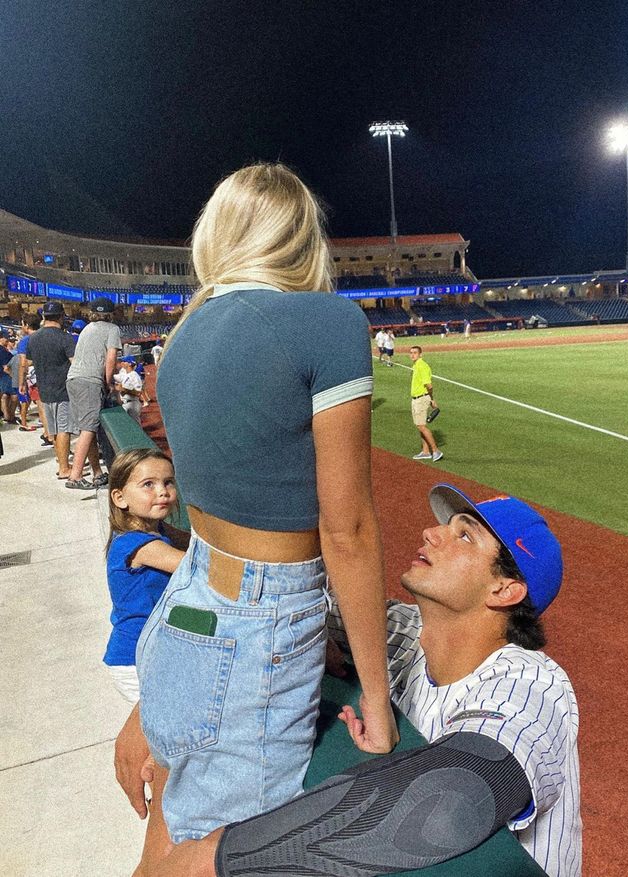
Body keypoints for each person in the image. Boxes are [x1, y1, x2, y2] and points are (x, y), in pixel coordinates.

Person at [118, 162, 398, 873]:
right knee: (220, 857)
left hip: (193, 604)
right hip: (257, 623)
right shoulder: (327, 321)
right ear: (302, 238)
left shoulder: (183, 336)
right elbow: (348, 530)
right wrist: (376, 693)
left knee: (174, 834)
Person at [133, 482, 581, 877]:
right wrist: (147, 716)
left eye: (464, 535)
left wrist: (218, 858)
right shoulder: (398, 630)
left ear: (505, 590)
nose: (432, 533)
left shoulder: (533, 685)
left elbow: (455, 796)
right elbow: (251, 621)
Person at [104, 448, 187, 704]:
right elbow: (196, 564)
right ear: (120, 498)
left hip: (153, 652)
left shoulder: (157, 529)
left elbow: (199, 542)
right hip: (135, 660)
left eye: (168, 482)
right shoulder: (137, 545)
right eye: (148, 484)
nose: (162, 491)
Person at [65, 297, 122, 489]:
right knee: (89, 428)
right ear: (110, 313)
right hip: (90, 380)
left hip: (73, 379)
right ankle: (75, 476)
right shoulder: (112, 329)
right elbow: (111, 357)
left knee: (85, 428)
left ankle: (97, 472)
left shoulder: (87, 328)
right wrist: (108, 383)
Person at [22, 302, 78, 480]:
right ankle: (63, 467)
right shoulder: (65, 338)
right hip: (63, 390)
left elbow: (28, 362)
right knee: (64, 429)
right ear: (61, 316)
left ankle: (60, 461)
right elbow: (75, 364)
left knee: (54, 429)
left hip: (44, 390)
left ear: (44, 317)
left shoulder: (33, 338)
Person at [409, 345, 442, 462]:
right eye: (411, 353)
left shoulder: (422, 366)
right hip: (417, 399)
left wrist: (431, 399)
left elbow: (429, 385)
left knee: (421, 426)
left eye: (415, 353)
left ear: (420, 354)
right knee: (420, 425)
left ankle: (436, 451)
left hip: (421, 399)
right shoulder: (416, 365)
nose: (412, 355)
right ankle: (426, 452)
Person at [114, 357, 144, 424]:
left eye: (124, 362)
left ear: (129, 364)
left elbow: (139, 393)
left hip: (132, 404)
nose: (122, 363)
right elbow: (114, 377)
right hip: (125, 404)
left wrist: (125, 390)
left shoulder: (135, 375)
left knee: (135, 427)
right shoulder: (126, 375)